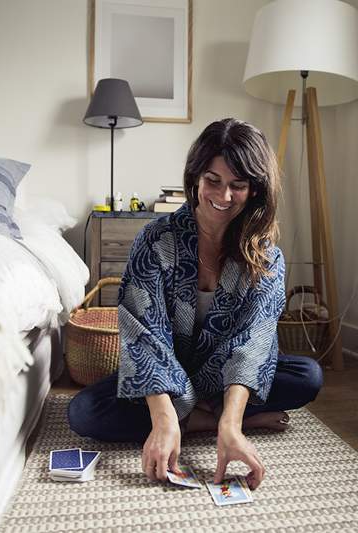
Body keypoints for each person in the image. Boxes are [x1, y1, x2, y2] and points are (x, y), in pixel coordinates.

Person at [68, 118, 323, 490]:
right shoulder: (156, 239)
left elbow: (253, 343)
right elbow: (143, 331)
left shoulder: (267, 255)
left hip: (222, 377)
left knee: (307, 377)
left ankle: (219, 422)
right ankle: (200, 421)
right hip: (166, 374)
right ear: (195, 178)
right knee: (84, 413)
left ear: (255, 189)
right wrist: (163, 417)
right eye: (213, 181)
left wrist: (232, 425)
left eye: (238, 185)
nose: (223, 197)